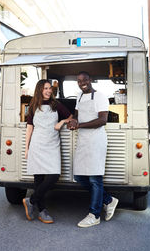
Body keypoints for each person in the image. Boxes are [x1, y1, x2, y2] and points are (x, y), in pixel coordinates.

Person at [67, 71, 118, 228]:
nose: (82, 82)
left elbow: (103, 120)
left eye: (85, 80)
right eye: (79, 80)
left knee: (95, 179)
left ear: (91, 80)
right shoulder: (80, 96)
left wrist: (79, 125)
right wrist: (72, 121)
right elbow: (76, 115)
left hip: (96, 141)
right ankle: (108, 200)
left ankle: (94, 214)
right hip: (83, 141)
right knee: (80, 176)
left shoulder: (100, 96)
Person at [23, 79, 72, 224]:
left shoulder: (56, 104)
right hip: (37, 145)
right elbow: (29, 127)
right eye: (45, 88)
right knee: (38, 180)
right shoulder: (33, 106)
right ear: (39, 90)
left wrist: (62, 122)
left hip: (52, 145)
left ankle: (30, 200)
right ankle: (42, 211)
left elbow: (70, 116)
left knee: (53, 176)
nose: (49, 91)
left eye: (50, 88)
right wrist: (26, 148)